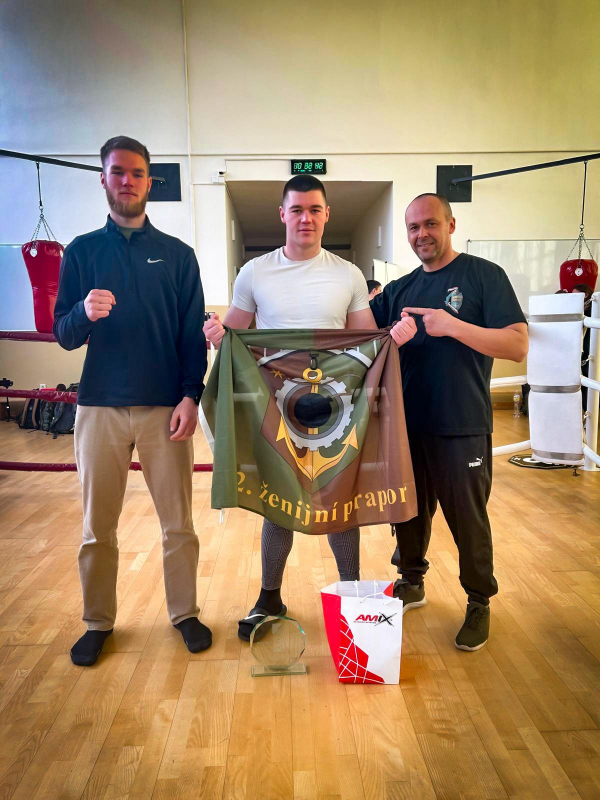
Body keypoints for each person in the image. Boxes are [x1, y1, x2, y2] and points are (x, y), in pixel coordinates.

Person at [204, 175, 416, 640]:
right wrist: (216, 334)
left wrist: (392, 339)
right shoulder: (255, 272)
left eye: (314, 209)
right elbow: (233, 334)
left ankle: (352, 592)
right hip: (276, 405)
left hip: (338, 405)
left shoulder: (348, 274)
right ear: (282, 214)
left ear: (326, 215)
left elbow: (364, 341)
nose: (306, 218)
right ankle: (269, 596)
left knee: (341, 497)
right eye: (297, 209)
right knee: (278, 500)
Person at [54, 135, 211, 666]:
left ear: (149, 181)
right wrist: (83, 313)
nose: (127, 181)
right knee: (97, 527)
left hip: (164, 407)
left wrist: (191, 396)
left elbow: (191, 335)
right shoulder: (81, 252)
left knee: (178, 524)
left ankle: (184, 613)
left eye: (137, 173)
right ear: (103, 178)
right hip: (99, 406)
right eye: (117, 172)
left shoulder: (178, 255)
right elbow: (62, 333)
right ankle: (97, 621)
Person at [371, 193, 528, 651]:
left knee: (467, 518)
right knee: (408, 511)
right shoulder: (399, 290)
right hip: (407, 424)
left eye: (430, 224)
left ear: (451, 224)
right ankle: (411, 581)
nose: (422, 234)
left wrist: (452, 325)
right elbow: (363, 336)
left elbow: (517, 345)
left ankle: (479, 600)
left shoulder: (483, 275)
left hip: (462, 422)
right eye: (413, 227)